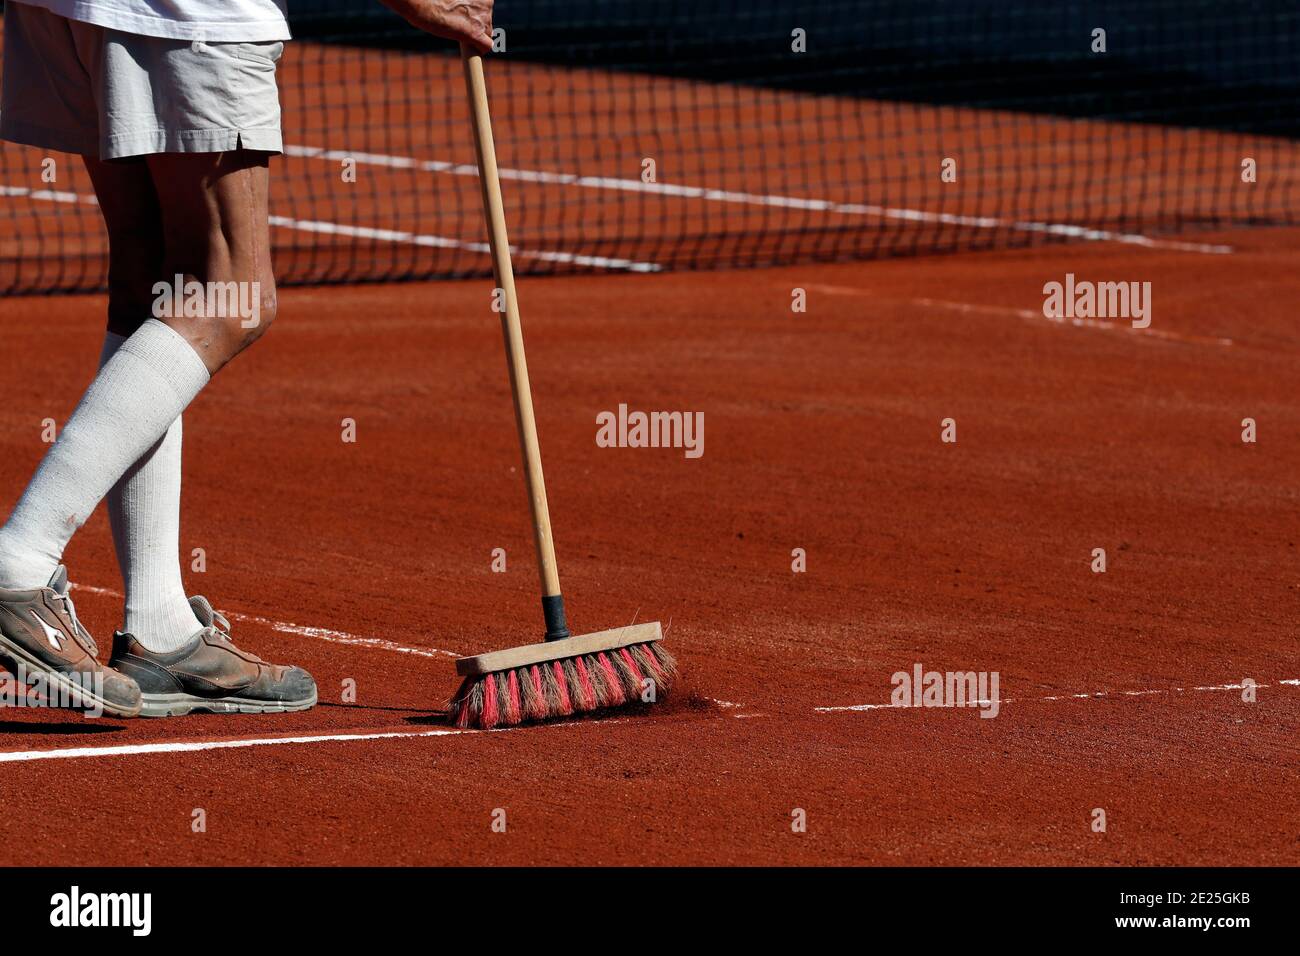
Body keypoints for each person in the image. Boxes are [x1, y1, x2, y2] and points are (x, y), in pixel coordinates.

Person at [0, 0, 493, 717]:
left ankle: (161, 627)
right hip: (187, 13)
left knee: (155, 280)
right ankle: (20, 562)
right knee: (229, 292)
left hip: (70, 9)